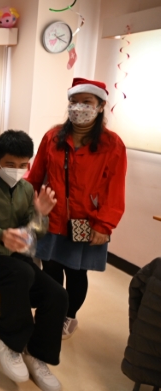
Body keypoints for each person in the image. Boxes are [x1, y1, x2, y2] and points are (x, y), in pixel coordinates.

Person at [0, 130, 66, 391]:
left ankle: (36, 354)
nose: (17, 170)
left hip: (15, 260)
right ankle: (8, 339)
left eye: (23, 165)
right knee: (22, 273)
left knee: (57, 294)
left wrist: (40, 215)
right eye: (10, 164)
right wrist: (1, 236)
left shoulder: (27, 189)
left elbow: (35, 232)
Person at [27, 78, 127, 339]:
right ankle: (51, 311)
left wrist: (104, 225)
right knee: (49, 269)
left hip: (85, 220)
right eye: (74, 101)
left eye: (86, 102)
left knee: (75, 271)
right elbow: (35, 176)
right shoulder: (53, 137)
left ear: (101, 106)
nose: (78, 107)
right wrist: (25, 203)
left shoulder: (112, 144)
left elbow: (115, 187)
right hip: (51, 216)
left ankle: (69, 316)